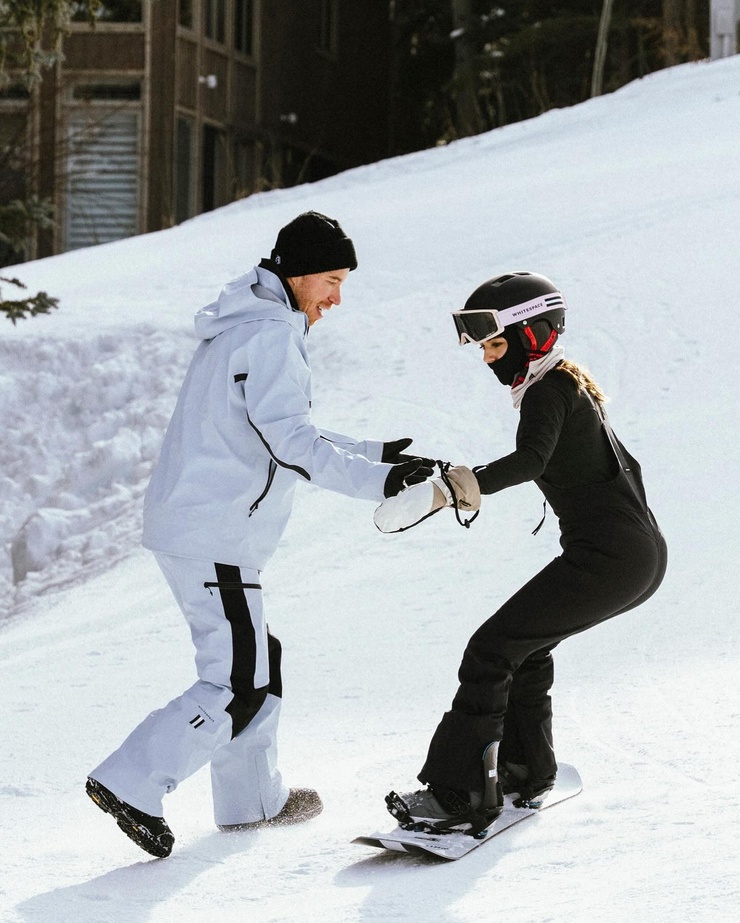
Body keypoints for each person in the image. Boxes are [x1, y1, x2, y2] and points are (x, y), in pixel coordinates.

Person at [85, 211, 433, 858]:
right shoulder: (269, 334)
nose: (336, 296)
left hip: (205, 527)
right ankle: (131, 779)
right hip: (213, 532)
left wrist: (379, 456)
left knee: (256, 658)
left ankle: (251, 800)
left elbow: (280, 430)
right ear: (299, 272)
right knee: (238, 678)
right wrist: (384, 485)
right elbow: (293, 443)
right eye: (331, 279)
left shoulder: (249, 325)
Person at [379, 270, 667, 838]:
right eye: (483, 346)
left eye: (494, 343)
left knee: (490, 649)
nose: (487, 358)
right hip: (630, 556)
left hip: (611, 559)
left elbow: (532, 460)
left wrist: (457, 488)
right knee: (525, 649)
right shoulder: (568, 386)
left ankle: (459, 794)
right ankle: (524, 769)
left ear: (531, 333)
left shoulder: (549, 390)